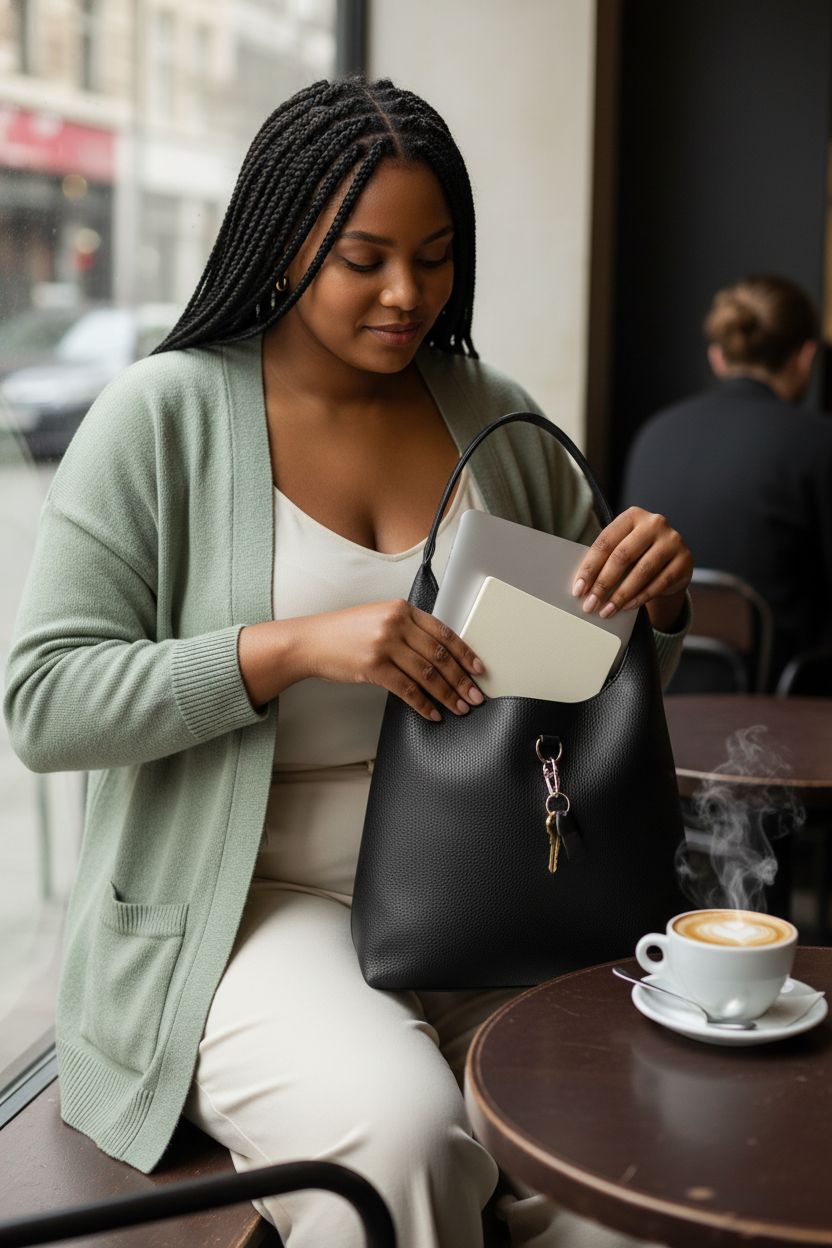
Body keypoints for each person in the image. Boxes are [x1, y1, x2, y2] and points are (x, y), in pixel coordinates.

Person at [4, 78, 691, 1247]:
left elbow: (594, 696)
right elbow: (44, 702)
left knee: (622, 1169)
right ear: (280, 248)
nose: (407, 294)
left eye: (433, 257)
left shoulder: (494, 416)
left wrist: (652, 606)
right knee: (402, 1145)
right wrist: (286, 651)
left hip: (497, 891)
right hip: (253, 909)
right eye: (362, 257)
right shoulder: (161, 418)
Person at [621, 274, 832, 688]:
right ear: (806, 357)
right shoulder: (819, 443)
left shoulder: (654, 435)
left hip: (662, 698)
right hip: (781, 711)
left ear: (718, 357)